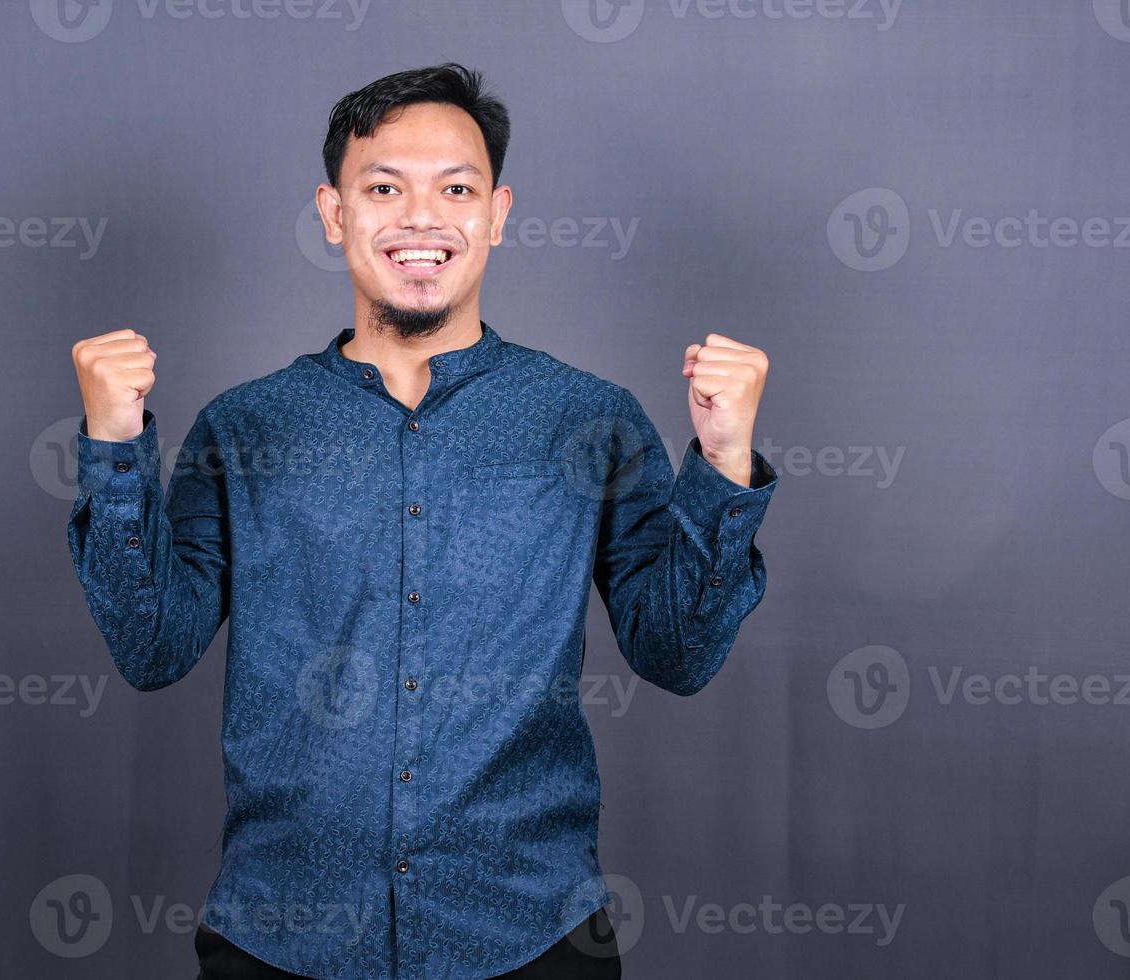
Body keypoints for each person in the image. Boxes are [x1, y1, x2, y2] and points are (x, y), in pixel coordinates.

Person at [66, 62, 778, 980]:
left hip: (531, 936)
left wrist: (723, 461)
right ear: (333, 213)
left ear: (498, 213)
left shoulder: (587, 420)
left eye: (456, 188)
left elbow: (677, 654)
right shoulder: (244, 429)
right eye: (384, 188)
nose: (421, 218)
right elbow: (152, 646)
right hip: (281, 936)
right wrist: (115, 448)